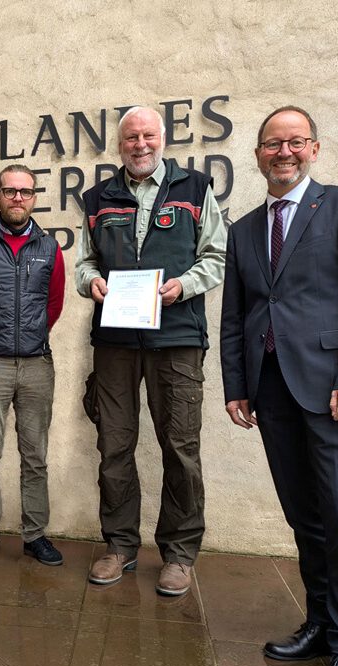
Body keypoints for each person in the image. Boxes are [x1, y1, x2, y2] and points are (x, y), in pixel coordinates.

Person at [220, 106, 338, 666]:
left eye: (295, 142)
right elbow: (236, 315)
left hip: (336, 391)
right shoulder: (244, 229)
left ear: (314, 149)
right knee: (305, 516)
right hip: (271, 393)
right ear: (258, 155)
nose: (284, 153)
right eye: (273, 144)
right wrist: (238, 386)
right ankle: (320, 622)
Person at [75, 106, 226, 596]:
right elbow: (84, 261)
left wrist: (183, 285)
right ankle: (119, 546)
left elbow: (217, 256)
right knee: (114, 446)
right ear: (119, 146)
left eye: (147, 135)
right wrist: (92, 281)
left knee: (180, 447)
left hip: (177, 339)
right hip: (116, 341)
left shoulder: (195, 189)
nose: (140, 144)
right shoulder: (98, 198)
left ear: (162, 139)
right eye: (130, 138)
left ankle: (180, 554)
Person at [0, 164, 65, 578]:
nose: (18, 198)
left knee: (35, 455)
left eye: (25, 192)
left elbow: (55, 302)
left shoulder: (50, 247)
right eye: (10, 191)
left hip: (38, 364)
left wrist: (33, 336)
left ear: (35, 196)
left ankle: (34, 535)